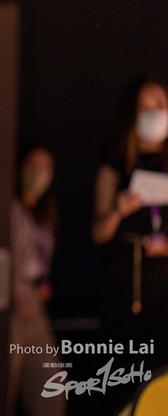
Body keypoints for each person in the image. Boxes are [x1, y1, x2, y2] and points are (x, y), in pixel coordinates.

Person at [92, 77, 168, 412]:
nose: (155, 113)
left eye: (160, 105)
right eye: (146, 107)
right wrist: (119, 210)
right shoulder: (116, 163)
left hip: (164, 290)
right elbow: (99, 233)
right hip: (127, 290)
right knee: (123, 382)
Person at [7, 147, 65, 416]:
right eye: (33, 164)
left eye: (46, 167)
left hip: (33, 298)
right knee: (8, 374)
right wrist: (18, 296)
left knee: (49, 383)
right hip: (12, 298)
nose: (39, 173)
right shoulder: (11, 208)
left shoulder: (44, 215)